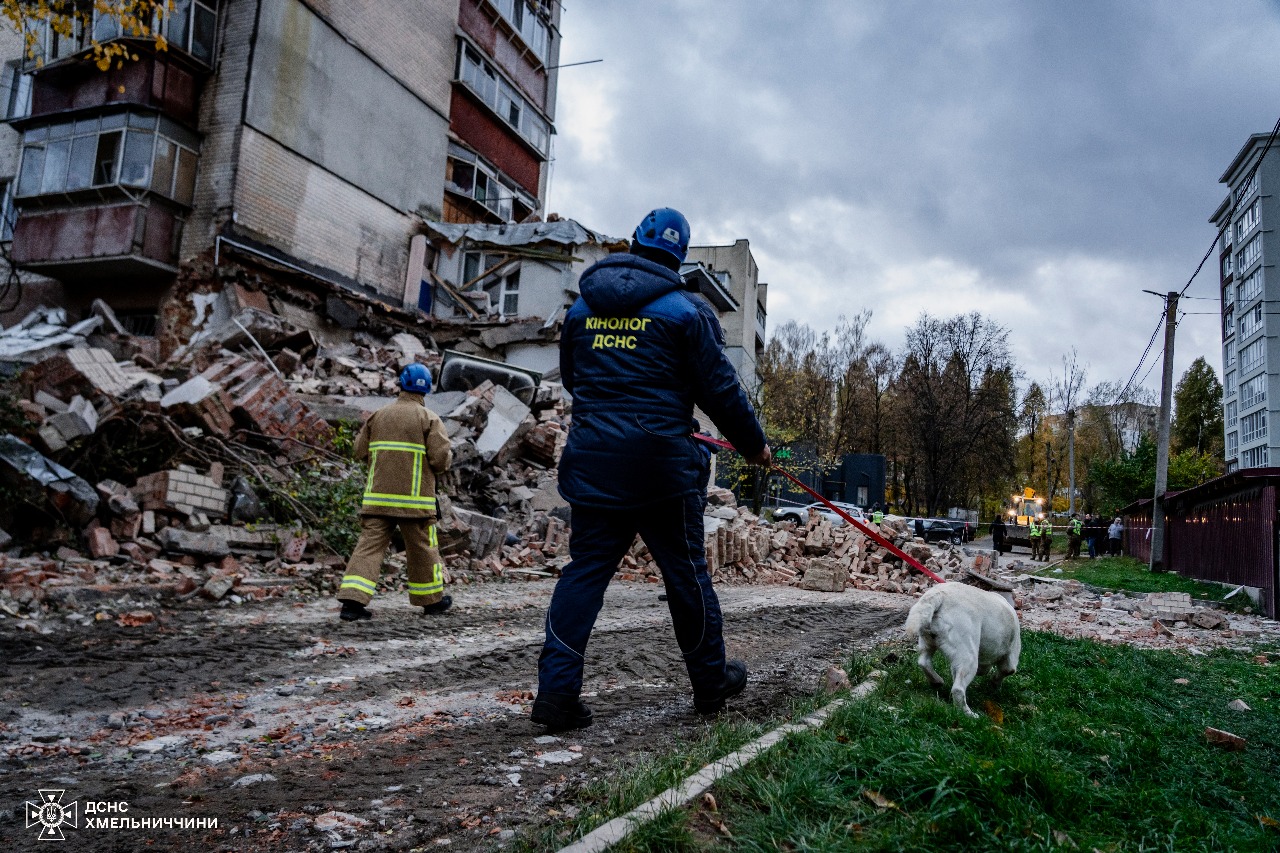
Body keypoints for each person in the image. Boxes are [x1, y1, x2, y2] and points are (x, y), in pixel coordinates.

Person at [532, 208, 771, 732]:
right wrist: (754, 446)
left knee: (584, 573)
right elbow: (720, 389)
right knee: (686, 575)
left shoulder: (582, 310)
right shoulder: (686, 311)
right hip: (663, 470)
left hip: (594, 465)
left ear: (635, 242)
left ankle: (556, 695)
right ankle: (709, 682)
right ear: (678, 256)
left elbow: (572, 379)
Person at [336, 364, 453, 622]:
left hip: (378, 500)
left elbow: (358, 451)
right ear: (427, 388)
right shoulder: (429, 418)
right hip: (415, 502)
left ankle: (352, 604)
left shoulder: (379, 415)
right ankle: (431, 601)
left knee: (368, 548)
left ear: (400, 383)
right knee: (423, 549)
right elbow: (440, 460)